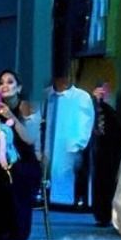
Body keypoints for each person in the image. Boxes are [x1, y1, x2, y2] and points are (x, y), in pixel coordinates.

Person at [0, 69, 42, 240]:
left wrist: (11, 116)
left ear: (19, 87)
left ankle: (15, 231)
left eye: (10, 82)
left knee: (14, 174)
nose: (4, 86)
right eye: (1, 82)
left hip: (24, 161)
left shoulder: (26, 107)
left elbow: (29, 139)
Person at [44, 72, 94, 206]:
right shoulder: (46, 95)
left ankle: (74, 200)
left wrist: (76, 145)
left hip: (70, 147)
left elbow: (85, 123)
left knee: (67, 177)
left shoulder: (81, 97)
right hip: (49, 146)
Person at [90, 80, 121, 227]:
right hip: (101, 150)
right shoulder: (96, 107)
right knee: (102, 181)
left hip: (111, 150)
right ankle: (103, 214)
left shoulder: (111, 109)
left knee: (108, 181)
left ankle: (106, 214)